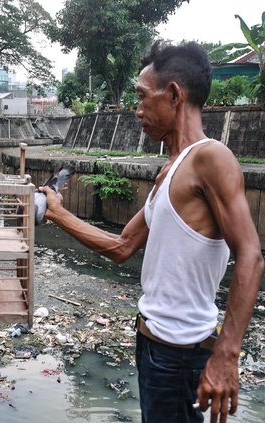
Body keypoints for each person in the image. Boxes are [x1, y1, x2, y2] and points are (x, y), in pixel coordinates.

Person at [41, 40, 264, 423]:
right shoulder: (168, 170)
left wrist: (227, 355)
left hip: (182, 354)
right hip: (152, 346)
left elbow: (251, 256)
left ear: (174, 95)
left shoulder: (211, 158)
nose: (136, 109)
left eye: (143, 97)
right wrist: (59, 214)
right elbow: (122, 245)